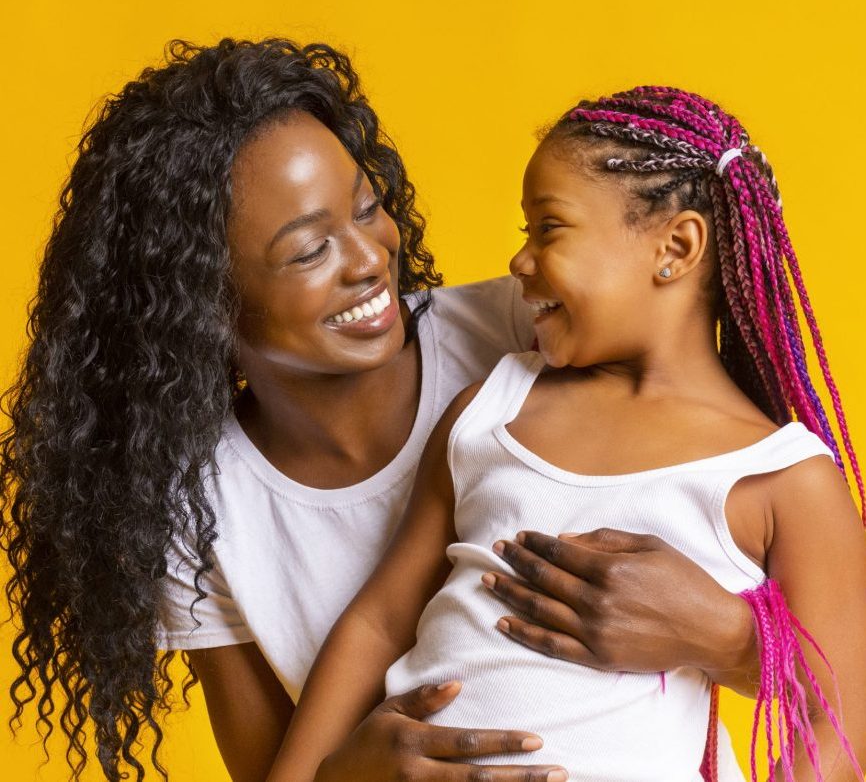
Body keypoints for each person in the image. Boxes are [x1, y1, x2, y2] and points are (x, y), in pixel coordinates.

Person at [1, 45, 758, 782]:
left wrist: (728, 639)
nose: (368, 258)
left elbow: (749, 490)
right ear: (200, 303)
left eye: (368, 208)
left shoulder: (531, 336)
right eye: (309, 251)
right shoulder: (197, 512)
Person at [271, 87, 866, 782]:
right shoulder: (491, 410)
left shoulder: (784, 477)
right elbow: (377, 623)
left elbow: (837, 726)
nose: (520, 260)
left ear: (676, 247)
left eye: (548, 229)